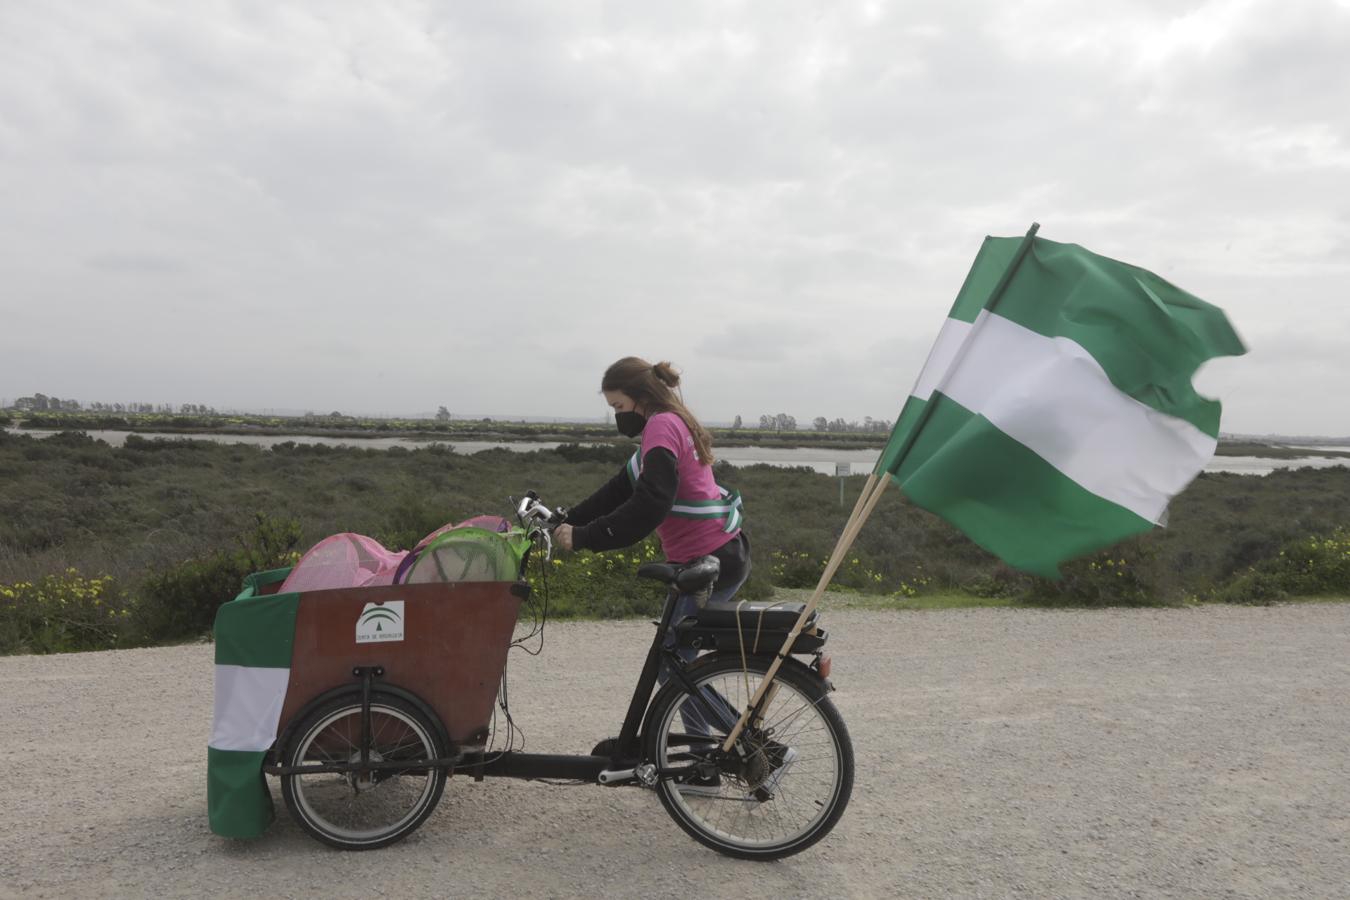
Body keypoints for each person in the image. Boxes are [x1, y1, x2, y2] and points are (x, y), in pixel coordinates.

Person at [555, 357, 750, 760]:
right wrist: (566, 519)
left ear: (640, 398)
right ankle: (702, 760)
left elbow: (649, 504)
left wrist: (585, 537)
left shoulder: (661, 426)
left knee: (674, 666)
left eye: (618, 408)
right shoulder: (667, 424)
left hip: (710, 562)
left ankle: (744, 741)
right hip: (712, 556)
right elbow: (617, 491)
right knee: (682, 663)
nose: (618, 418)